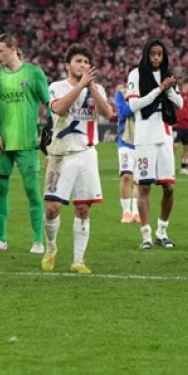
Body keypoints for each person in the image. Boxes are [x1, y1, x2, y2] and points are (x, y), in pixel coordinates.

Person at [41, 45, 115, 273]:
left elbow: (109, 114)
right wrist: (80, 86)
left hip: (86, 153)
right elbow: (60, 109)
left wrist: (91, 89)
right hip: (61, 154)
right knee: (53, 208)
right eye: (78, 61)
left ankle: (78, 260)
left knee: (83, 208)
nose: (82, 65)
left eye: (85, 62)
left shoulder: (96, 88)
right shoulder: (56, 87)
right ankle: (51, 247)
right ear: (67, 65)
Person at [0, 34, 50, 254]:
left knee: (32, 190)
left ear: (13, 48)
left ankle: (38, 241)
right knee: (0, 191)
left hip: (27, 143)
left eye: (0, 51)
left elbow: (49, 104)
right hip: (1, 145)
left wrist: (46, 130)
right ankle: (1, 239)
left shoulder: (33, 73)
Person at [126, 38, 183, 249]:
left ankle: (162, 230)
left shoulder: (168, 75)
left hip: (165, 137)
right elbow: (134, 105)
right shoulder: (136, 74)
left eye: (160, 54)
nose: (156, 58)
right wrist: (159, 89)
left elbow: (179, 103)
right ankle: (146, 236)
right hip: (144, 139)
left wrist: (168, 88)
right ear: (146, 54)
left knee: (168, 187)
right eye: (153, 54)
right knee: (144, 187)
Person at [114, 84, 140, 223]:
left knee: (139, 180)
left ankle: (136, 212)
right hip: (125, 142)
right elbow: (123, 111)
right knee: (126, 176)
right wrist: (140, 104)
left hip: (142, 142)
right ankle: (126, 211)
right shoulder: (121, 93)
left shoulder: (147, 92)